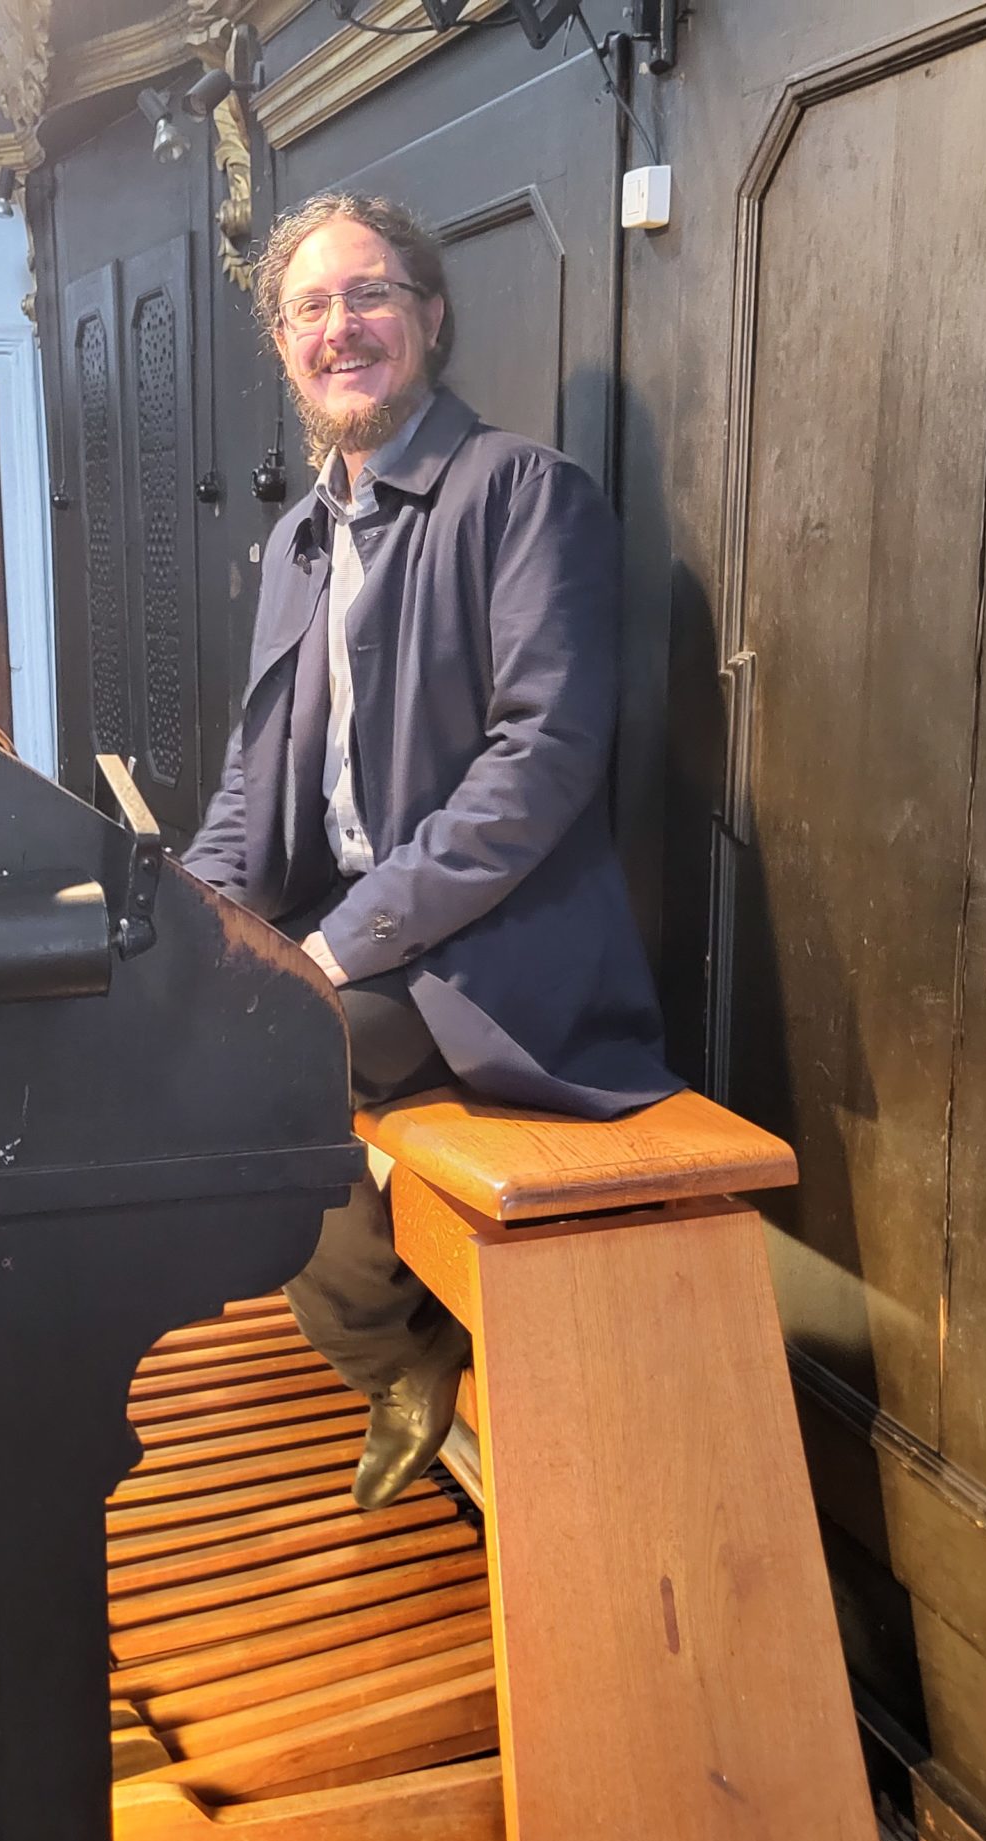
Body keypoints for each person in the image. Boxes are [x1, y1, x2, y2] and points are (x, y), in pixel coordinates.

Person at [179, 192, 680, 1510]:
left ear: (430, 316)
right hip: (367, 935)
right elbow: (251, 779)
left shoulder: (524, 493)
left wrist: (332, 952)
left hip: (499, 954)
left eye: (368, 296)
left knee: (270, 1051)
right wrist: (187, 915)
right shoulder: (297, 539)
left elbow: (541, 764)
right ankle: (384, 1327)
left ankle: (397, 1350)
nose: (338, 328)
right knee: (184, 1020)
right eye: (310, 307)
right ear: (284, 344)